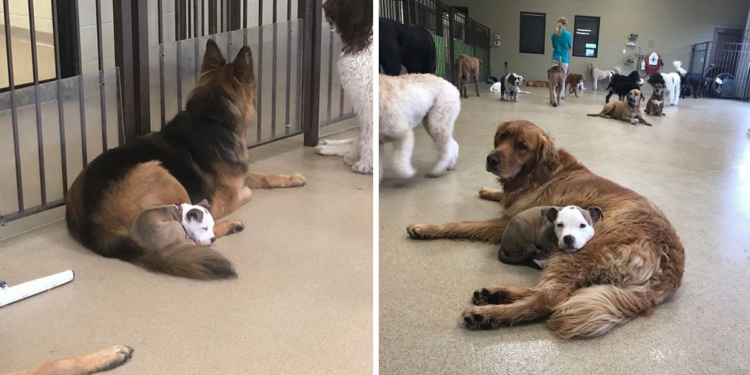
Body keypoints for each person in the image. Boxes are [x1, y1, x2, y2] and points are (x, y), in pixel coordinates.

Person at [551, 16, 572, 99]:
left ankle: (553, 94)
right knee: (562, 78)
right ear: (565, 24)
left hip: (555, 58)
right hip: (564, 59)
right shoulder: (568, 34)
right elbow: (570, 47)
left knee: (553, 78)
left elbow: (554, 46)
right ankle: (562, 95)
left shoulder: (553, 34)